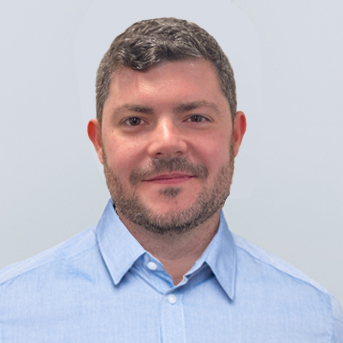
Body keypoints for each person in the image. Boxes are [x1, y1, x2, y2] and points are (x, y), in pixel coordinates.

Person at [0, 17, 342, 342]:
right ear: (99, 142)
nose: (167, 143)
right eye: (135, 120)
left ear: (235, 136)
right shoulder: (9, 311)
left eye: (195, 117)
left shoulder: (318, 321)